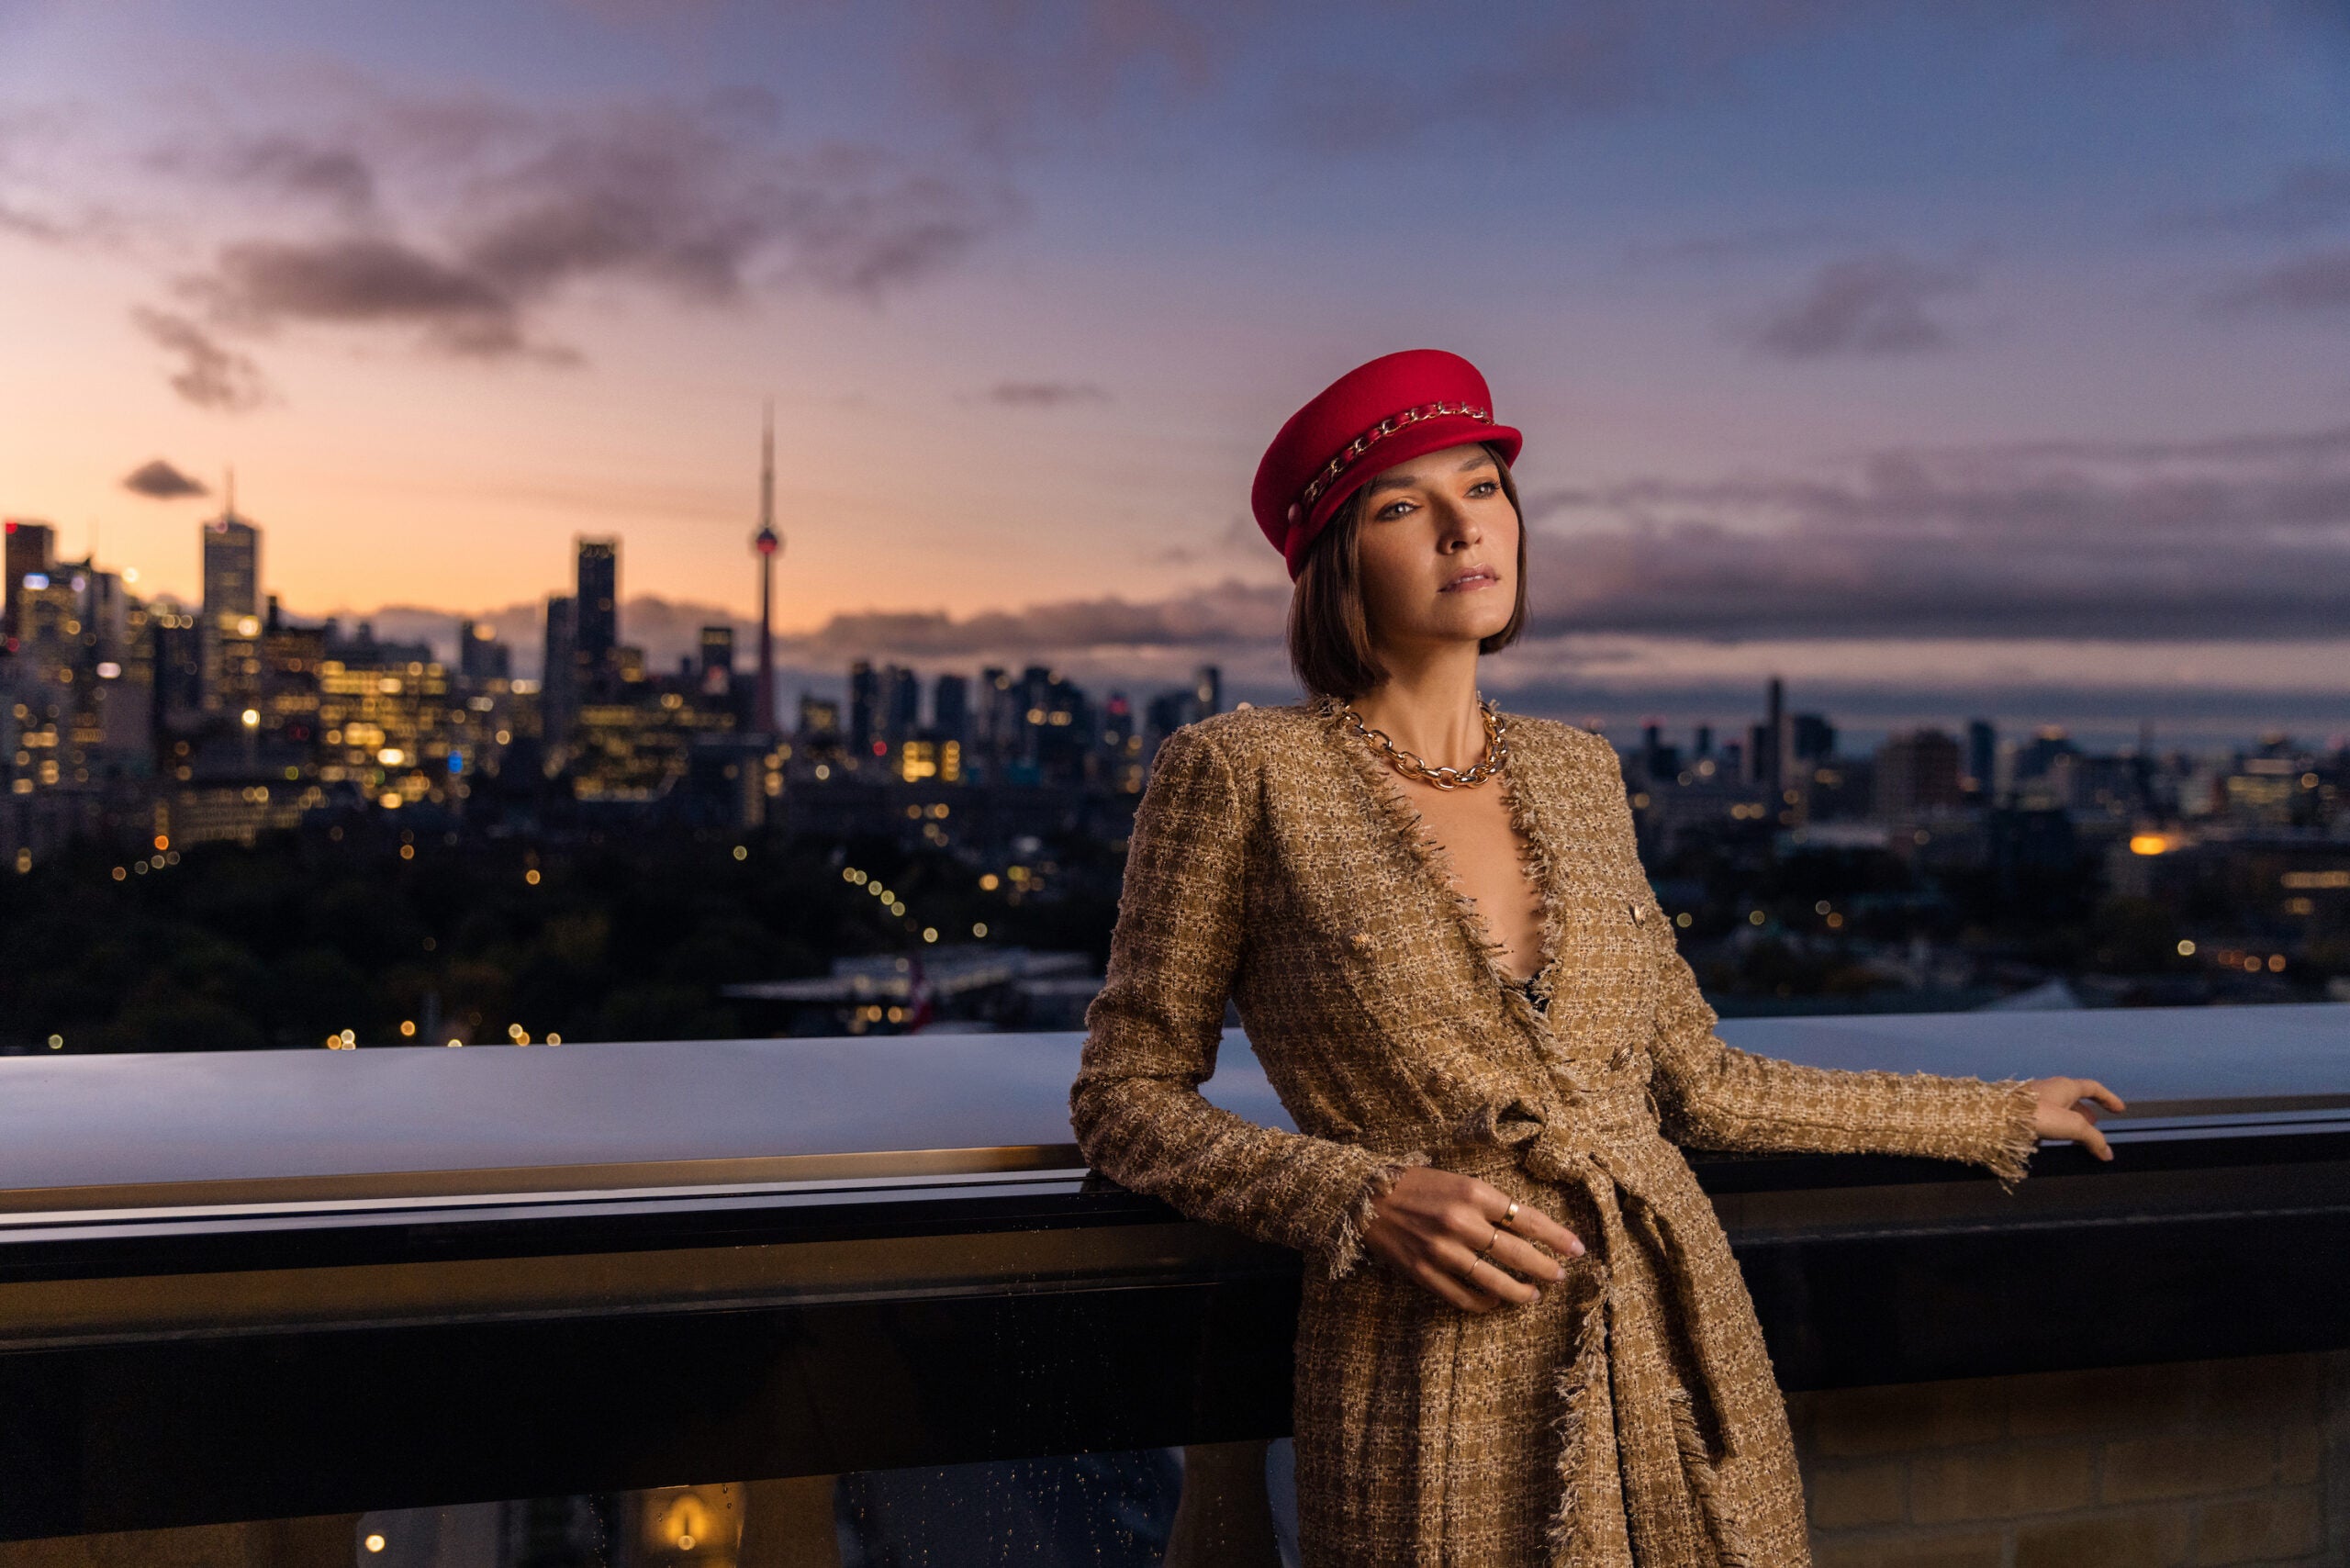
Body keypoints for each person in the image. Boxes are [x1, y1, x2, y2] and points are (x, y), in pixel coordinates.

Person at [1068, 348, 2124, 1566]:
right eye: (1408, 506)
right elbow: (1125, 1103)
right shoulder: (1241, 775)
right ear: (1335, 559)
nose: (1472, 530)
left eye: (1487, 489)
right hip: (1431, 1352)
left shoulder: (1579, 771)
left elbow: (1700, 1083)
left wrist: (1990, 1112)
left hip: (1674, 1339)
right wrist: (1361, 1197)